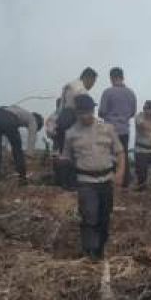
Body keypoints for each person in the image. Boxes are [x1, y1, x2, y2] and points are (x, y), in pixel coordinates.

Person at [59, 94, 125, 259]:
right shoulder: (70, 134)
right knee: (89, 215)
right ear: (77, 113)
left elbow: (120, 152)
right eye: (82, 113)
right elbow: (66, 157)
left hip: (106, 179)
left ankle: (100, 248)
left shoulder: (107, 128)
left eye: (88, 112)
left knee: (104, 216)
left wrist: (120, 173)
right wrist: (61, 165)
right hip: (85, 181)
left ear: (93, 110)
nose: (86, 116)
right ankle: (90, 251)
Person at [52, 67, 97, 187]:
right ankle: (71, 183)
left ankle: (60, 181)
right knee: (73, 152)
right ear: (88, 78)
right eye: (93, 82)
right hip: (72, 119)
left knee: (62, 151)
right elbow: (83, 108)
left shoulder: (69, 86)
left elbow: (61, 107)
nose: (92, 86)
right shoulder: (80, 89)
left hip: (62, 119)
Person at [98, 67, 138, 186]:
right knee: (123, 156)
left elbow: (102, 112)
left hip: (109, 130)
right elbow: (132, 112)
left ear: (111, 78)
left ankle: (108, 182)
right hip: (124, 130)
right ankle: (124, 183)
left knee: (108, 156)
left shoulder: (107, 92)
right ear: (122, 77)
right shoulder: (131, 93)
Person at [0, 105, 43, 181]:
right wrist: (29, 154)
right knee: (17, 149)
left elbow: (3, 109)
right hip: (8, 118)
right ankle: (22, 177)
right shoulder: (32, 119)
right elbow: (32, 138)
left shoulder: (20, 110)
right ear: (37, 122)